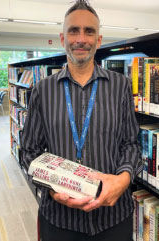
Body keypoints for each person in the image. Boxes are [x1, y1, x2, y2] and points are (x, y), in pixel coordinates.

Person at [21, 0, 141, 240]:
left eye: (89, 31)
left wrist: (123, 180)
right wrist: (53, 189)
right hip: (59, 220)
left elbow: (132, 144)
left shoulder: (120, 86)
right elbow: (29, 151)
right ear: (63, 39)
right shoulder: (42, 90)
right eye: (73, 30)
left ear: (98, 40)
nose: (81, 39)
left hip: (113, 219)